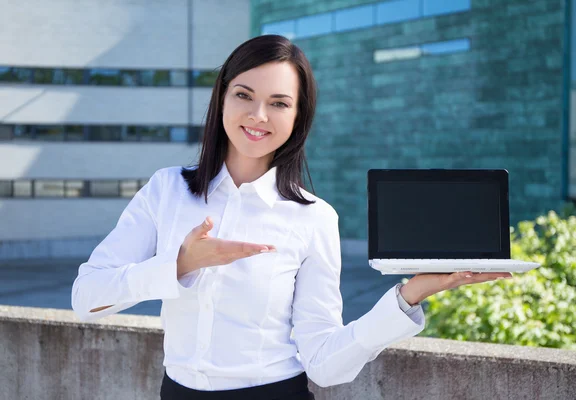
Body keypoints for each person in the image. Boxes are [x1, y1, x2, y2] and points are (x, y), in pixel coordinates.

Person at [71, 34, 511, 400]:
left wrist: (408, 297)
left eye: (279, 103)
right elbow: (85, 299)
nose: (258, 116)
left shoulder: (313, 218)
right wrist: (179, 265)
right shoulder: (167, 189)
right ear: (221, 98)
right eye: (244, 95)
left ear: (298, 117)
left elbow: (324, 362)